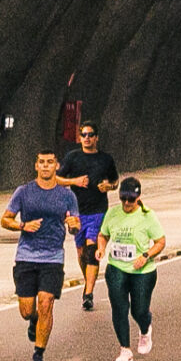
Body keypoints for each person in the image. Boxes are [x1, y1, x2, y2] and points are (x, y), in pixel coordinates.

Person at [2, 149, 81, 361]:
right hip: (26, 255)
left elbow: (75, 226)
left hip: (53, 257)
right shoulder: (24, 192)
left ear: (57, 166)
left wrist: (73, 224)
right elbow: (5, 219)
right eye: (42, 162)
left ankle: (38, 355)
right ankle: (33, 320)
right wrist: (22, 226)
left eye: (50, 162)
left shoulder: (67, 195)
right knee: (27, 310)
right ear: (36, 166)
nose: (46, 166)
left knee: (46, 302)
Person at [95, 177, 166, 361]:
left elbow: (160, 242)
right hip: (117, 266)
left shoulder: (147, 215)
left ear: (138, 197)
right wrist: (101, 248)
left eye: (131, 199)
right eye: (123, 199)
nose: (127, 203)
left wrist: (146, 255)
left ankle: (145, 328)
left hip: (142, 271)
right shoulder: (112, 213)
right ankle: (125, 349)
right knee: (119, 308)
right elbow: (103, 234)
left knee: (139, 310)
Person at [57, 121, 119, 312]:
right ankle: (88, 282)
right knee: (82, 253)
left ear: (96, 137)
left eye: (90, 135)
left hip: (98, 211)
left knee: (93, 249)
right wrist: (73, 181)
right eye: (83, 135)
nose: (87, 138)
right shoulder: (72, 157)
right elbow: (56, 178)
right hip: (77, 212)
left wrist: (108, 186)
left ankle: (88, 293)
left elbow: (115, 181)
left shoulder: (106, 159)